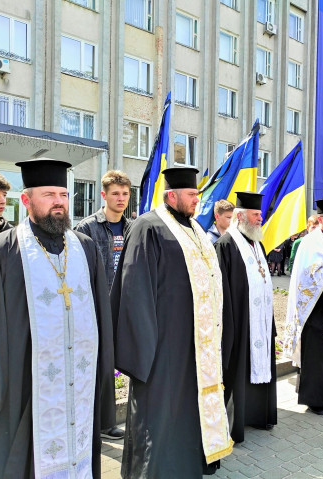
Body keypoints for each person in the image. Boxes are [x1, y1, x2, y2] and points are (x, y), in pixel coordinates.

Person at [0, 158, 115, 478]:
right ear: (26, 200)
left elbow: (101, 319)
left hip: (78, 386)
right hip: (24, 387)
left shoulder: (85, 248)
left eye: (63, 194)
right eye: (49, 195)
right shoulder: (3, 251)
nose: (59, 202)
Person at [110, 166, 232, 477]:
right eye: (191, 195)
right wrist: (143, 355)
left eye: (197, 195)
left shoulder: (196, 229)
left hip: (196, 348)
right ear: (172, 196)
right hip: (163, 350)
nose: (197, 200)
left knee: (189, 412)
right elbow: (134, 291)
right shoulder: (148, 227)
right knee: (159, 418)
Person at [214, 192, 277, 443]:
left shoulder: (257, 244)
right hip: (240, 323)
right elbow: (221, 291)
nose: (261, 218)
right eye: (256, 214)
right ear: (240, 217)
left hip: (260, 321)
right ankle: (235, 424)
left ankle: (258, 415)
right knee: (238, 373)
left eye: (260, 214)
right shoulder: (226, 245)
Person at [74, 170, 132, 440]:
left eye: (125, 194)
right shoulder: (86, 228)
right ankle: (98, 422)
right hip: (98, 307)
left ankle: (118, 418)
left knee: (122, 363)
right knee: (99, 365)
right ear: (104, 195)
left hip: (126, 305)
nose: (121, 198)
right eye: (115, 193)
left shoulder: (133, 227)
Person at [283, 199, 323, 416]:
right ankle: (314, 399)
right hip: (314, 306)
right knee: (316, 352)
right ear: (320, 219)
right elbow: (307, 273)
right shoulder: (310, 241)